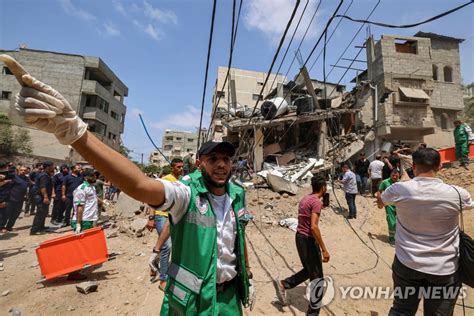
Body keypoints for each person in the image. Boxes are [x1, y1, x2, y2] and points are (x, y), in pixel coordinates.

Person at [5, 56, 253, 314]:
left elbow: (238, 237)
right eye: (213, 159)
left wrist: (248, 274)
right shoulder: (187, 191)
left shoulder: (237, 193)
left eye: (226, 158)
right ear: (200, 162)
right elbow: (139, 185)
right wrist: (76, 134)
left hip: (228, 300)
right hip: (192, 304)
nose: (221, 164)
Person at [377, 148, 473, 315]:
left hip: (406, 263)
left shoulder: (399, 189)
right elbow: (469, 204)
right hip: (445, 269)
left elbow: (381, 202)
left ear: (413, 166)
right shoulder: (458, 194)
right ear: (440, 166)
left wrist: (379, 196)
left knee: (401, 310)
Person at [277, 176, 330, 315]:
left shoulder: (306, 199)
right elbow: (314, 227)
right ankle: (313, 313)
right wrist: (324, 249)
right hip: (308, 240)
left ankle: (285, 284)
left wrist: (321, 206)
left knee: (309, 270)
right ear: (323, 187)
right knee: (317, 278)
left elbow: (307, 215)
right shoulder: (316, 202)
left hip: (299, 237)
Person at [146, 158, 184, 290]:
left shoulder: (182, 181)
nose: (181, 169)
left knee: (170, 245)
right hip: (161, 216)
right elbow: (152, 197)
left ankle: (155, 263)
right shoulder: (165, 180)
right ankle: (163, 278)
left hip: (174, 217)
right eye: (178, 167)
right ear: (172, 167)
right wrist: (151, 217)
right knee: (167, 245)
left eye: (182, 167)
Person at [0, 165, 28, 233]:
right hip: (10, 199)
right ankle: (1, 227)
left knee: (15, 214)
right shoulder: (13, 176)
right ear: (18, 171)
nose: (23, 171)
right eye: (21, 170)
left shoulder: (26, 178)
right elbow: (4, 176)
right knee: (6, 214)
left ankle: (9, 227)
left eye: (25, 170)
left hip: (20, 200)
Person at [30, 161, 55, 235]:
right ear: (48, 167)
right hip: (40, 196)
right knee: (40, 212)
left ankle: (41, 227)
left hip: (43, 196)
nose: (54, 167)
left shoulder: (46, 174)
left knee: (44, 212)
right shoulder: (44, 175)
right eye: (52, 166)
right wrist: (45, 197)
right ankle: (34, 230)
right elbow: (42, 187)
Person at [376, 168, 400, 245]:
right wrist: (379, 202)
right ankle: (392, 239)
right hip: (389, 205)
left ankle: (399, 237)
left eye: (396, 176)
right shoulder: (385, 182)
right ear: (390, 175)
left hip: (399, 205)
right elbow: (379, 192)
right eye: (393, 175)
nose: (395, 177)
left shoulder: (400, 183)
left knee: (400, 222)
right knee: (391, 221)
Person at [71, 168, 99, 233]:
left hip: (90, 219)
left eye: (95, 175)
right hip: (84, 220)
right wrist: (78, 224)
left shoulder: (92, 187)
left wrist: (103, 203)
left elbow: (94, 197)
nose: (95, 177)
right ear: (86, 178)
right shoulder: (81, 189)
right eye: (92, 176)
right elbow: (79, 207)